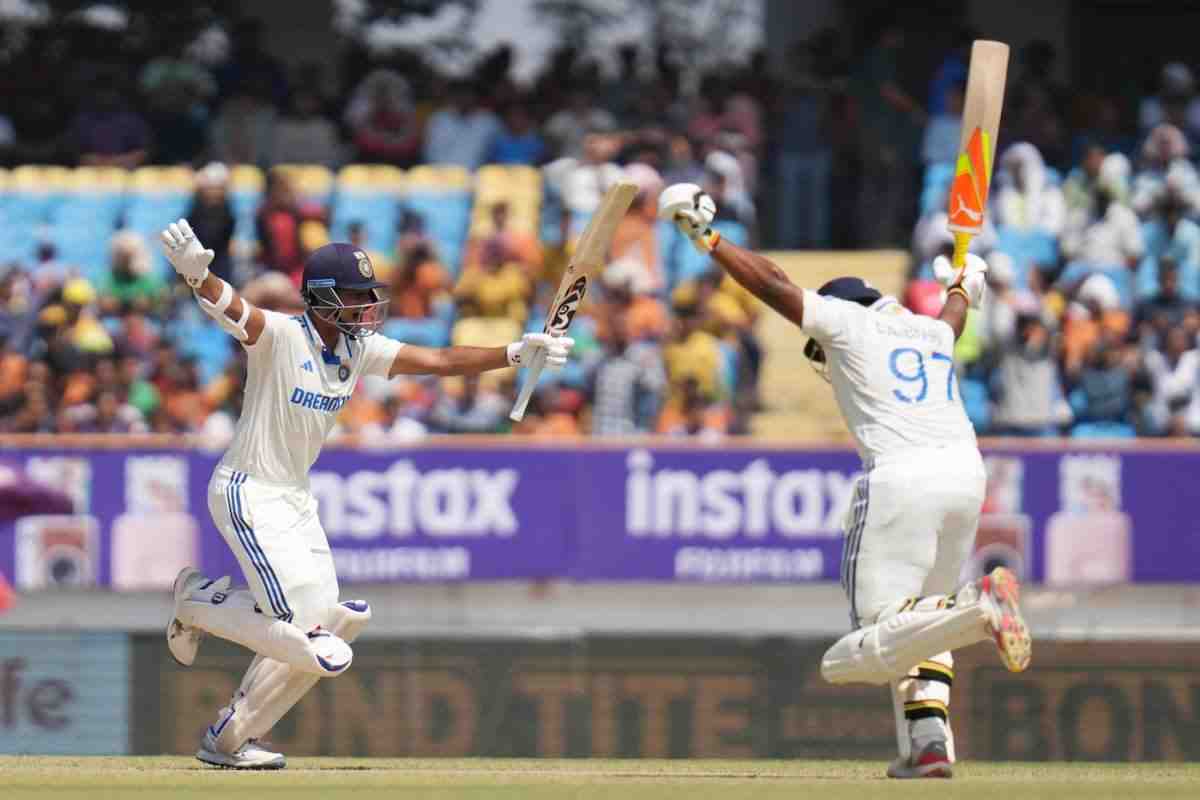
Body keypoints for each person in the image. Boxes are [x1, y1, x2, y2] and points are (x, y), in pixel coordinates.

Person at [158, 219, 573, 769]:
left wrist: (516, 352)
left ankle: (229, 739)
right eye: (353, 297)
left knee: (327, 622)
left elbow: (441, 361)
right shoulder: (283, 336)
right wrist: (198, 276)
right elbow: (236, 312)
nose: (364, 307)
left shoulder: (360, 350)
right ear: (322, 299)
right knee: (299, 627)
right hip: (248, 490)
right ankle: (197, 603)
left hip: (295, 498)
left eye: (366, 296)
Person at [657, 182, 1031, 779]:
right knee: (919, 624)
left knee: (857, 653)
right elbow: (953, 318)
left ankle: (979, 609)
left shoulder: (851, 324)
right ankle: (929, 746)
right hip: (965, 476)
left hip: (901, 480)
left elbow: (774, 284)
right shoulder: (930, 332)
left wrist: (708, 237)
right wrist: (966, 284)